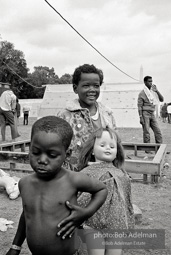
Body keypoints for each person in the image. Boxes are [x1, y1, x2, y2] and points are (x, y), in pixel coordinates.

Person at [6, 116, 107, 255]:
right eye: (35, 152)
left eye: (52, 155)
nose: (42, 160)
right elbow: (27, 215)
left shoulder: (73, 180)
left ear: (67, 154)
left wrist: (85, 213)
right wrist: (16, 246)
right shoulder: (25, 183)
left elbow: (101, 189)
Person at [77, 127, 134, 255]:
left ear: (117, 152)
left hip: (116, 225)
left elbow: (127, 201)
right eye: (102, 145)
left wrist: (127, 221)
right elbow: (80, 198)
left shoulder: (122, 174)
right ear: (92, 150)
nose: (108, 148)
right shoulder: (85, 173)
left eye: (112, 146)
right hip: (92, 225)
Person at [58, 64, 117, 171]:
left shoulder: (107, 114)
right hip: (74, 174)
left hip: (103, 174)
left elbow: (116, 143)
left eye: (96, 85)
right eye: (86, 86)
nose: (92, 90)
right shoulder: (65, 116)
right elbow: (57, 147)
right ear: (75, 88)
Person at [137, 76, 164, 147]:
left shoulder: (153, 91)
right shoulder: (142, 93)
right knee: (146, 132)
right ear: (145, 82)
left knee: (158, 131)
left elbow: (162, 99)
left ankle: (159, 147)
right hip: (145, 113)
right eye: (149, 81)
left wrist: (157, 91)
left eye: (151, 81)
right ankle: (147, 149)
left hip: (152, 113)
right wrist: (140, 117)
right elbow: (139, 106)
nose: (151, 83)